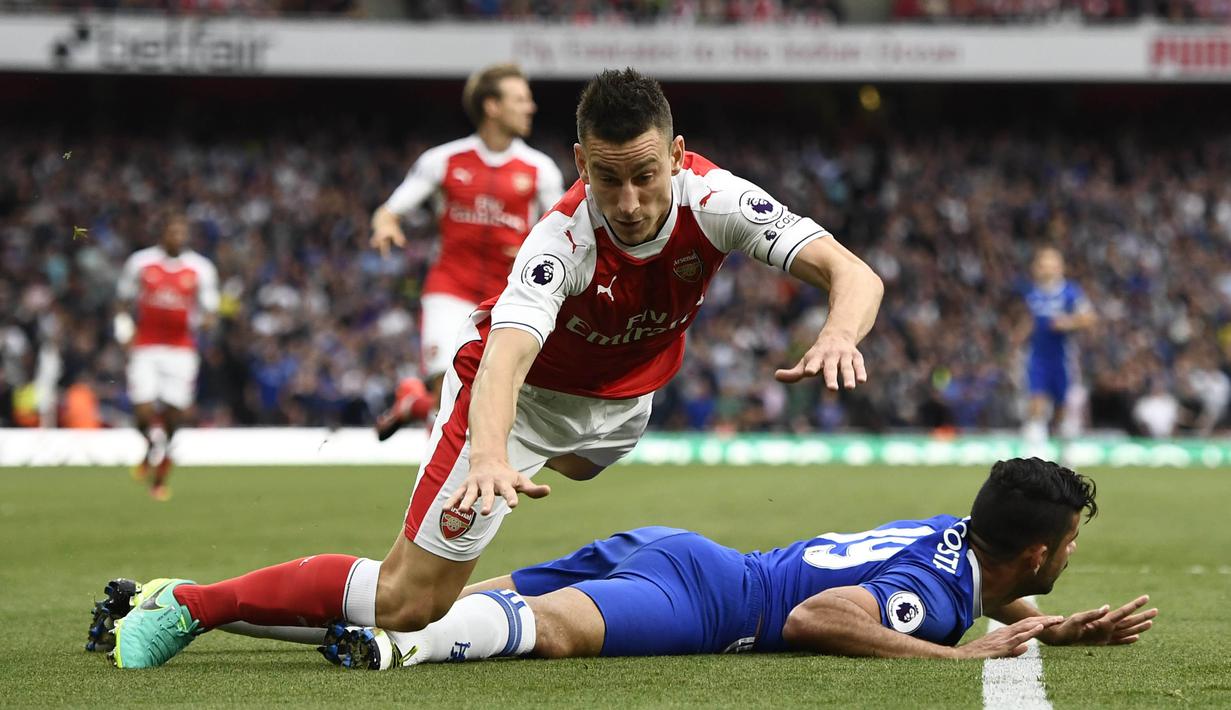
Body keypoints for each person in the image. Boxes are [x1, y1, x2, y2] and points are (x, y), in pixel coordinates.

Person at [106, 68, 884, 669]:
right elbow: (506, 361)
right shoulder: (561, 242)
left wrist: (839, 334)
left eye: (646, 174)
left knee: (577, 471)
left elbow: (855, 274)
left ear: (677, 157)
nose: (630, 199)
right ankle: (184, 604)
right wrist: (487, 454)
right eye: (607, 178)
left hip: (620, 409)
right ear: (579, 162)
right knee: (410, 601)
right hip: (524, 403)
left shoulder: (717, 200)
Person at [318, 458, 1156, 669]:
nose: (1073, 556)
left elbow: (988, 592)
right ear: (1038, 553)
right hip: (716, 601)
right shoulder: (933, 602)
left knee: (418, 594)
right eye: (1070, 546)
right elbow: (815, 617)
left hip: (679, 548)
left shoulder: (953, 538)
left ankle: (226, 604)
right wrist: (956, 653)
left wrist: (1051, 630)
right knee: (549, 633)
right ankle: (406, 650)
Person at [370, 63, 564, 440]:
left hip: (509, 298)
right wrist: (386, 225)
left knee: (490, 399)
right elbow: (389, 210)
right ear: (492, 106)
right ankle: (439, 497)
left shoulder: (540, 170)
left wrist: (530, 250)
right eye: (521, 99)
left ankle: (413, 403)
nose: (531, 107)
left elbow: (563, 233)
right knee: (448, 389)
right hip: (450, 289)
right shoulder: (443, 160)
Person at [114, 209, 219, 501]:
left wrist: (208, 321)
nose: (177, 237)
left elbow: (209, 308)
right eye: (173, 231)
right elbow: (122, 302)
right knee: (143, 411)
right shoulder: (140, 262)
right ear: (163, 233)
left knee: (174, 413)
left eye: (182, 232)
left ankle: (160, 476)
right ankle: (151, 447)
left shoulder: (200, 268)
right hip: (146, 346)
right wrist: (124, 333)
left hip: (181, 349)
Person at [1019, 247, 1096, 446]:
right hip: (1038, 357)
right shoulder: (1033, 294)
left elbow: (1089, 318)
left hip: (1063, 358)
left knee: (1062, 408)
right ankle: (1035, 457)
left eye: (1050, 265)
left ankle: (1066, 455)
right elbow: (1031, 321)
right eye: (1042, 265)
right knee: (1036, 403)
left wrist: (1067, 322)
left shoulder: (1070, 292)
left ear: (1059, 268)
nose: (1046, 269)